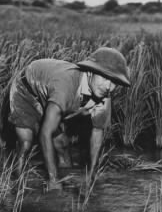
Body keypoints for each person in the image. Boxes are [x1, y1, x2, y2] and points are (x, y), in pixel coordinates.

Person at [8, 47, 130, 190]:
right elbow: (45, 133)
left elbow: (97, 134)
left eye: (114, 82)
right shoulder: (66, 86)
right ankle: (16, 185)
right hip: (26, 89)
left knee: (62, 144)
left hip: (50, 92)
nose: (108, 86)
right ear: (91, 72)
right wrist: (53, 180)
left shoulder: (104, 97)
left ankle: (65, 178)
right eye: (104, 78)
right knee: (26, 143)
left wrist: (91, 176)